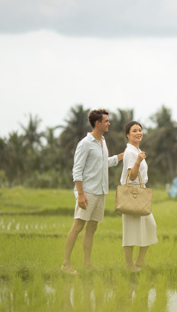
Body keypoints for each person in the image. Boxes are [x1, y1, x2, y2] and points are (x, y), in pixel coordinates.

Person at [61, 109, 124, 274]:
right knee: (77, 226)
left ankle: (87, 264)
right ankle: (65, 264)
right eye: (106, 121)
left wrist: (124, 155)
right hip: (87, 192)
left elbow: (105, 163)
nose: (109, 123)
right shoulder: (85, 143)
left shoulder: (103, 141)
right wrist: (80, 194)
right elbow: (77, 170)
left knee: (92, 228)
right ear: (98, 123)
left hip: (101, 191)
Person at [120, 121, 158, 272]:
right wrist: (138, 161)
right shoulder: (130, 152)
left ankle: (139, 262)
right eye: (134, 131)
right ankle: (130, 265)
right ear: (128, 135)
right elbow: (132, 175)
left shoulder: (137, 150)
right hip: (132, 192)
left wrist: (139, 158)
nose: (138, 133)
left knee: (150, 226)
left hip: (140, 191)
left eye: (140, 130)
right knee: (130, 230)